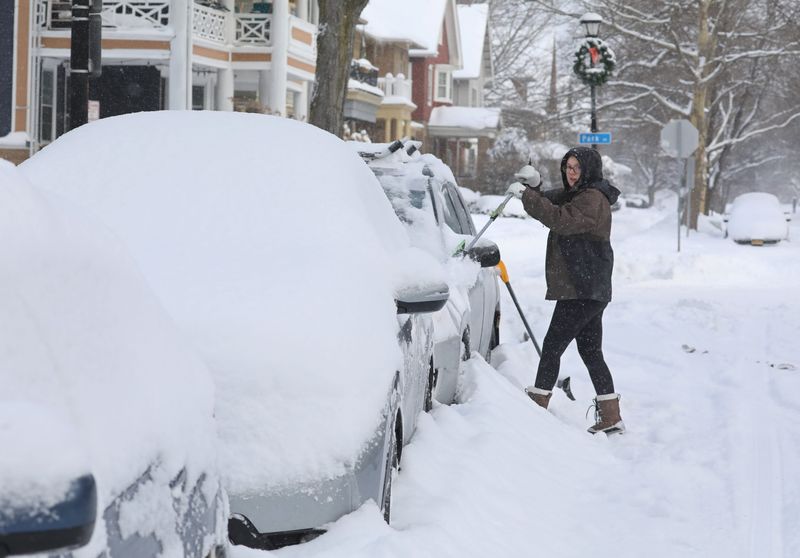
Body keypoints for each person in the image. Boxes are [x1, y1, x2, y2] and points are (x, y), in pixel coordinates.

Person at [505, 147, 625, 435]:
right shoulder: (581, 193)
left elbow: (560, 219)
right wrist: (533, 188)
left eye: (577, 168)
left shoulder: (592, 198)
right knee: (590, 350)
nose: (571, 173)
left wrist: (526, 197)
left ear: (589, 171)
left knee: (552, 347)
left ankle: (536, 406)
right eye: (568, 167)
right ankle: (611, 416)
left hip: (582, 288)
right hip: (589, 287)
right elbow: (551, 201)